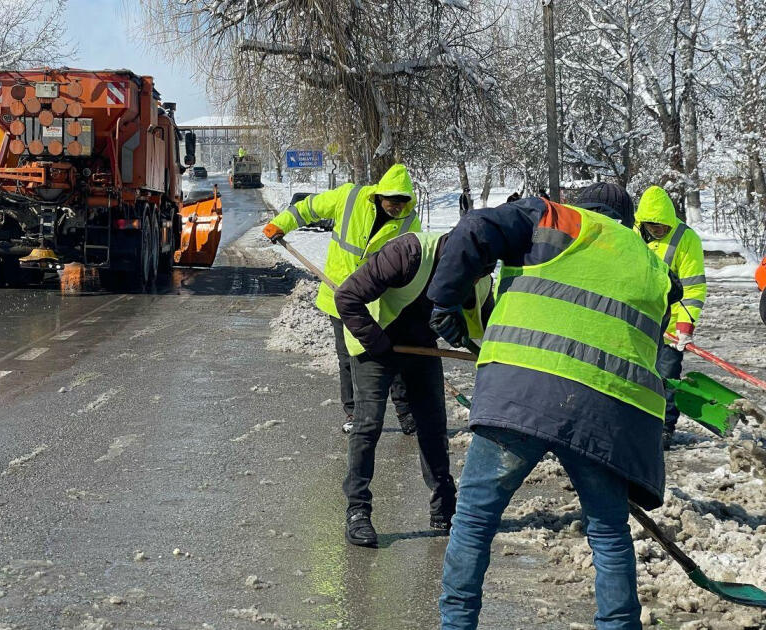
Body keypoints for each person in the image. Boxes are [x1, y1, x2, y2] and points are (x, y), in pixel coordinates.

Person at [427, 182, 683, 629]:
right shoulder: (653, 267)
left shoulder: (553, 218)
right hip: (605, 413)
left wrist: (445, 300)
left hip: (520, 394)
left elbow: (474, 228)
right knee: (609, 533)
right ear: (629, 222)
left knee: (474, 520)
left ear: (580, 205)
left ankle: (456, 624)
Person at [334, 231, 492, 545]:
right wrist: (377, 343)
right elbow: (347, 298)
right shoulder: (407, 254)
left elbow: (491, 333)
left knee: (433, 425)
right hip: (375, 341)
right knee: (368, 424)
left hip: (421, 347)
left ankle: (444, 506)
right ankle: (357, 510)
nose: (471, 283)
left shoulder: (481, 277)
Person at [263, 164, 422, 436]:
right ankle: (354, 413)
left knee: (391, 353)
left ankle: (406, 412)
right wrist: (281, 223)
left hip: (379, 301)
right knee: (348, 357)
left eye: (402, 202)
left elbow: (413, 261)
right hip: (341, 297)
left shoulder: (409, 222)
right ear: (379, 194)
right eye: (392, 201)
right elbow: (308, 208)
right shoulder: (349, 197)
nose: (397, 207)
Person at [634, 186, 707, 450]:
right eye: (653, 225)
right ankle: (635, 424)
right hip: (638, 322)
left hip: (672, 325)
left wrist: (685, 325)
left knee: (666, 376)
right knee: (634, 375)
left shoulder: (686, 239)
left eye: (662, 225)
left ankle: (664, 428)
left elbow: (693, 286)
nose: (658, 230)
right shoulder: (632, 236)